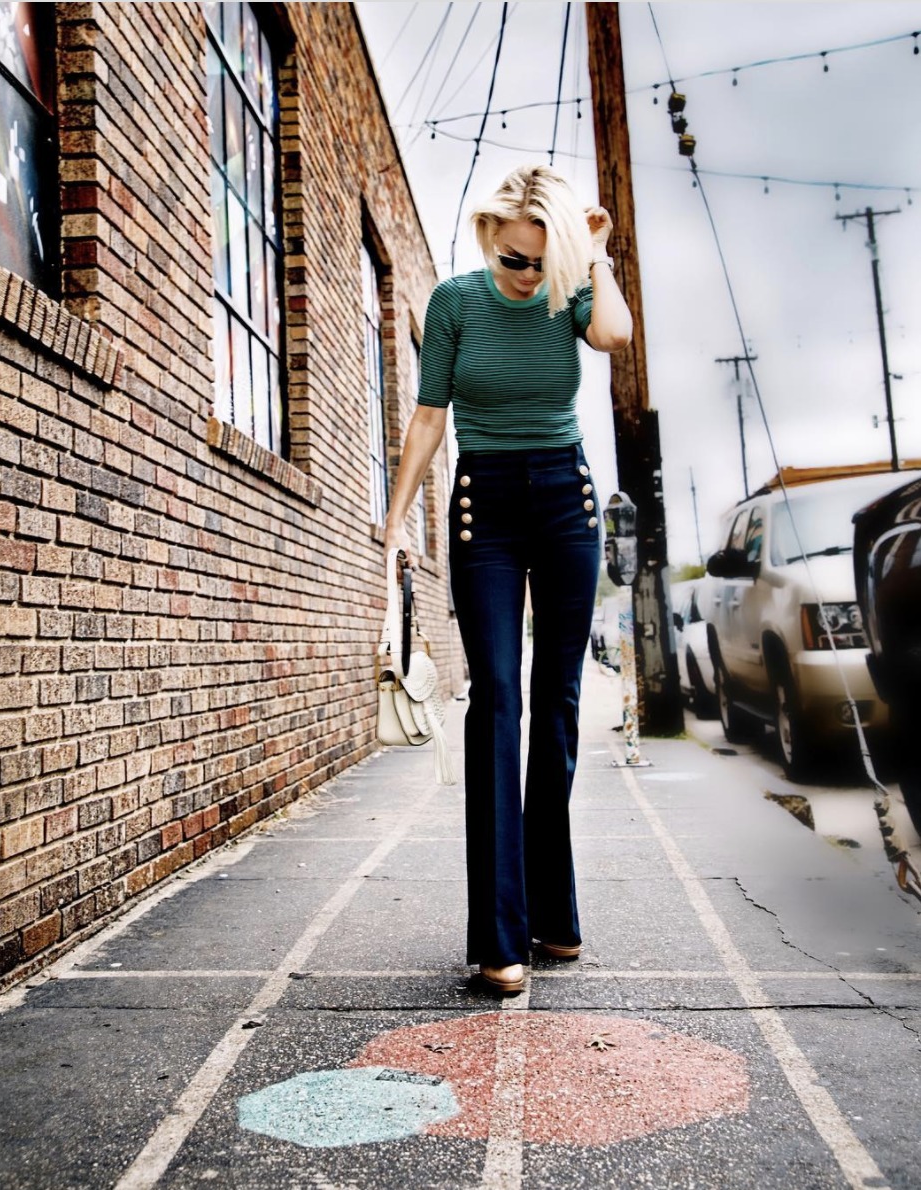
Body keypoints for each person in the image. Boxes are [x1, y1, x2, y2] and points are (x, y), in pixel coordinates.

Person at [384, 164, 633, 994]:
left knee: (557, 703)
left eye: (538, 259)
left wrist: (592, 254)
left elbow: (616, 339)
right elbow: (429, 418)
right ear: (489, 239)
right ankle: (500, 936)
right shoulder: (454, 302)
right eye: (512, 259)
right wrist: (393, 522)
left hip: (566, 499)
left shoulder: (572, 288)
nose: (525, 275)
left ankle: (553, 914)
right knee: (496, 699)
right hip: (482, 506)